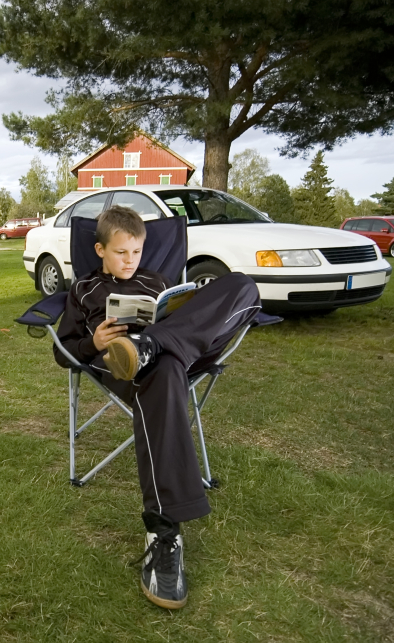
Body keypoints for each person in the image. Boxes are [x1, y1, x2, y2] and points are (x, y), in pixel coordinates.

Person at [53, 205, 261, 609]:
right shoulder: (84, 289)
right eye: (120, 253)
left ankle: (153, 344)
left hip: (178, 348)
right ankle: (165, 532)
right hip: (125, 365)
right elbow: (64, 350)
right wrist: (92, 343)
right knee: (164, 374)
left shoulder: (159, 280)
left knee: (243, 285)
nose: (130, 261)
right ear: (99, 249)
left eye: (136, 253)